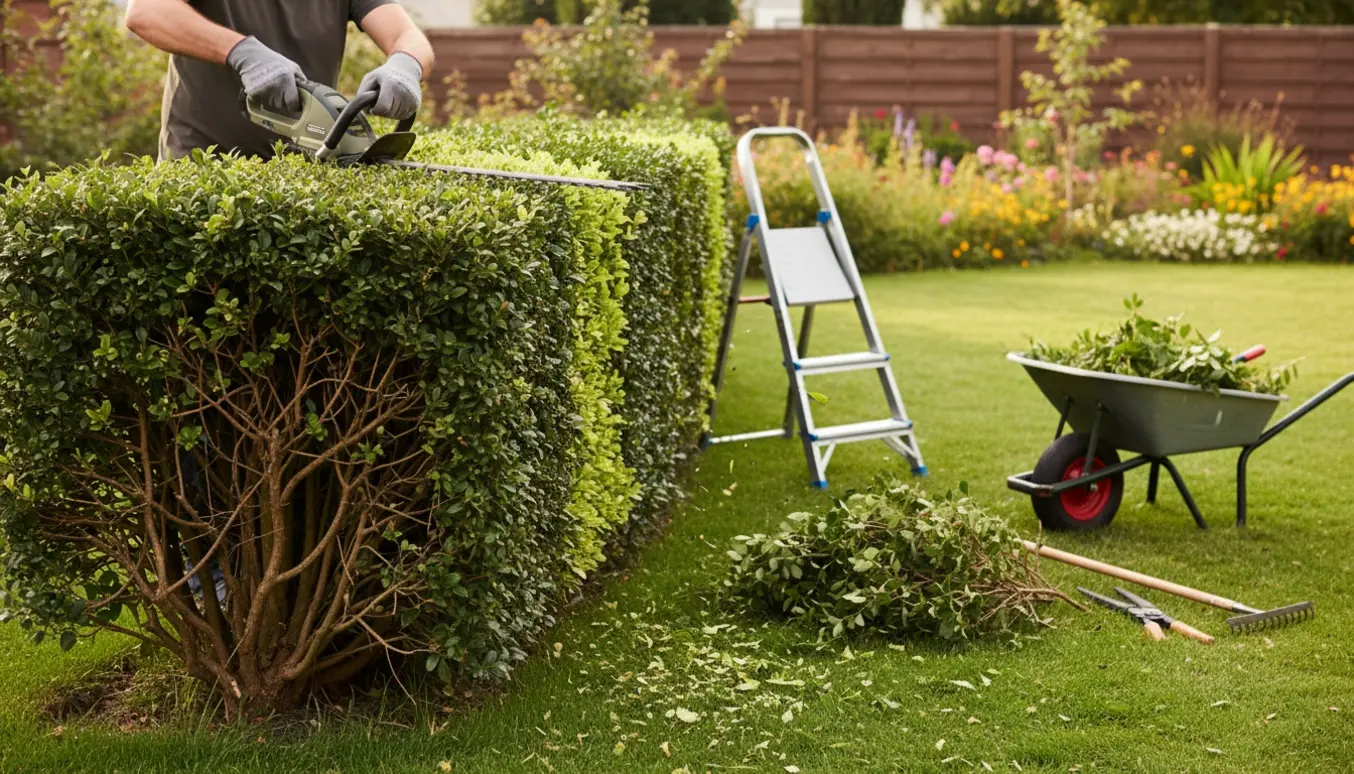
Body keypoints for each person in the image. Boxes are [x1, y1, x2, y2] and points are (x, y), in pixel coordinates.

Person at [124, 0, 436, 161]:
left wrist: (405, 65)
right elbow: (146, 11)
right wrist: (240, 52)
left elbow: (406, 35)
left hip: (303, 175)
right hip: (202, 172)